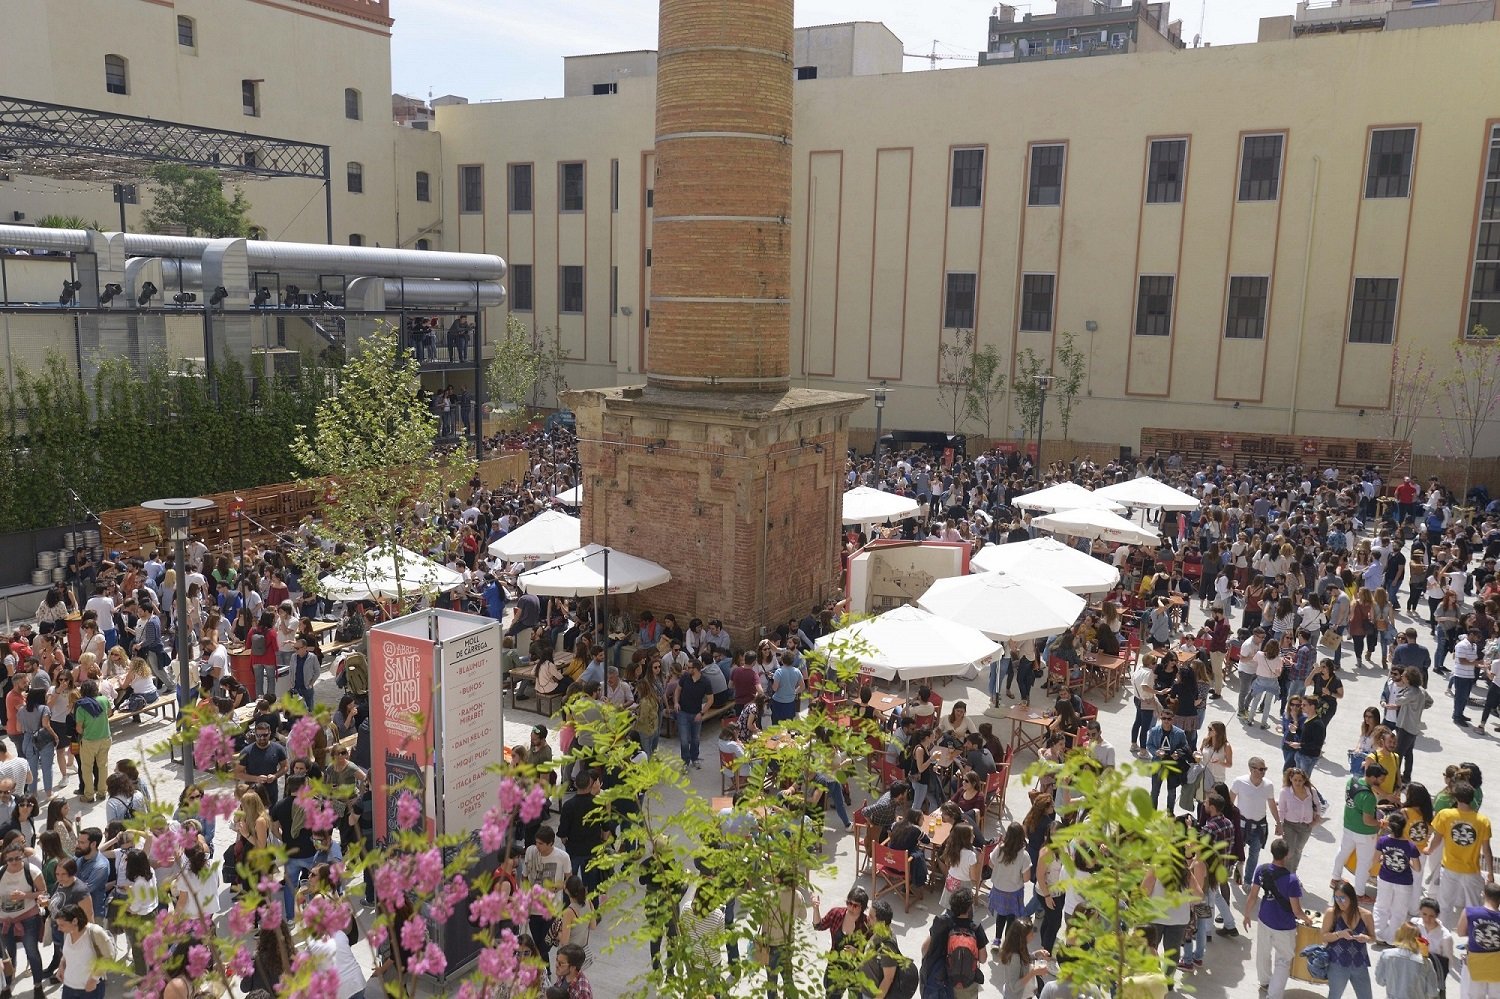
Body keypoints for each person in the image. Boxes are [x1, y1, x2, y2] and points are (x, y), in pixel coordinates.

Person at [1242, 837, 1315, 999]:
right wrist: (1308, 920)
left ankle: (1265, 981)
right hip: (1284, 926)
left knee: (1263, 952)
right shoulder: (1292, 880)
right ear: (1287, 855)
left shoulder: (1261, 870)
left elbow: (1253, 896)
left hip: (1264, 919)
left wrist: (1247, 914)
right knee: (1283, 961)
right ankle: (1273, 995)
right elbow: (1296, 910)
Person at [1425, 779, 1494, 927]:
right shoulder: (1483, 821)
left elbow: (1437, 838)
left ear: (1455, 798)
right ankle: (1473, 942)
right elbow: (1487, 849)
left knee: (1444, 906)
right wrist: (1490, 872)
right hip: (1471, 870)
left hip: (1449, 868)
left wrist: (1429, 850)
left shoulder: (1445, 815)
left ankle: (1443, 939)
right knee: (1474, 908)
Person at [918, 885, 988, 999]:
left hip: (942, 981)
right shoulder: (976, 929)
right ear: (969, 908)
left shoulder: (942, 923)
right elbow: (983, 959)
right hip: (966, 983)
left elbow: (924, 949)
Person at [1331, 761, 1384, 897]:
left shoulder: (1351, 781)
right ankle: (1359, 893)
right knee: (1364, 863)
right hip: (1365, 834)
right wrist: (1381, 823)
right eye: (1381, 779)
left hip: (1349, 826)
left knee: (1343, 851)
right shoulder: (1369, 797)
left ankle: (1335, 878)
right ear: (1373, 777)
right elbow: (1368, 820)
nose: (1382, 782)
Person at [53, 902, 109, 999]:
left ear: (74, 921)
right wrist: (61, 965)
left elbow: (108, 957)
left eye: (62, 925)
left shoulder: (95, 932)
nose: (59, 929)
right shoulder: (68, 933)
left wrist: (93, 979)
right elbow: (67, 954)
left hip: (90, 989)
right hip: (68, 987)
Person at [1374, 922, 1442, 999]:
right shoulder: (1425, 962)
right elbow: (1432, 992)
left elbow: (1380, 981)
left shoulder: (1386, 955)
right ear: (1418, 939)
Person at [1456, 881, 1500, 998]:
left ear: (1484, 894)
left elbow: (1460, 932)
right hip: (1497, 965)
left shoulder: (1469, 912)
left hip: (1475, 964)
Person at [1145, 711, 1189, 813]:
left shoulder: (1180, 733)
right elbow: (1149, 744)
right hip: (1158, 764)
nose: (1166, 721)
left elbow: (1185, 747)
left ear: (1173, 719)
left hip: (1172, 765)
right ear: (1160, 718)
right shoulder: (1154, 731)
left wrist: (1178, 754)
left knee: (1172, 792)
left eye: (1169, 719)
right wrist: (1156, 752)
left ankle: (1170, 814)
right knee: (1155, 791)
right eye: (1164, 718)